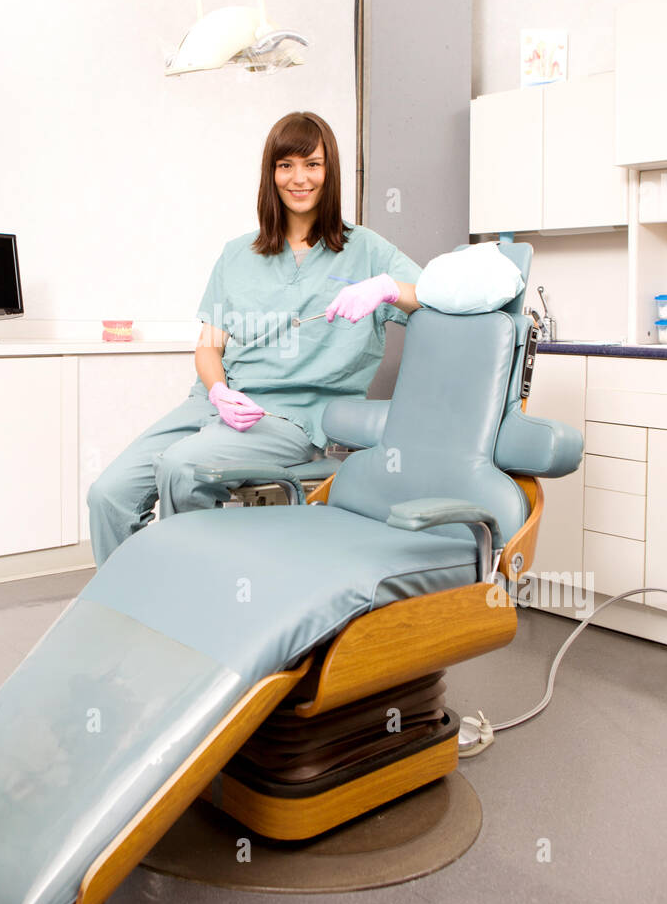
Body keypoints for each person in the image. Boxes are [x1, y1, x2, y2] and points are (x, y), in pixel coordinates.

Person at [86, 110, 422, 567]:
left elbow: (436, 299)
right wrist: (219, 390)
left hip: (293, 415)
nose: (299, 178)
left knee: (184, 467)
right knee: (108, 495)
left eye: (313, 164)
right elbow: (209, 346)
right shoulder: (237, 254)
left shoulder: (366, 249)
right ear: (271, 174)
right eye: (286, 165)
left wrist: (387, 288)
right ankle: (135, 602)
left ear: (330, 171)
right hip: (215, 401)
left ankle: (200, 600)